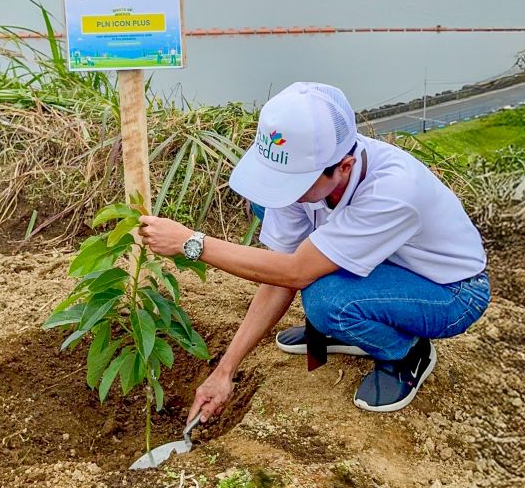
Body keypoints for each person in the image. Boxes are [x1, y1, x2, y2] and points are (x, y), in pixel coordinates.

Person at [139, 82, 489, 420]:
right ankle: (347, 326)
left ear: (344, 166)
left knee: (327, 300)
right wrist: (224, 371)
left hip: (449, 291)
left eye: (296, 182)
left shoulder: (393, 191)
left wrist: (192, 243)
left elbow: (296, 271)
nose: (287, 192)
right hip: (383, 262)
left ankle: (407, 352)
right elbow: (280, 276)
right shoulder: (309, 171)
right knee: (269, 207)